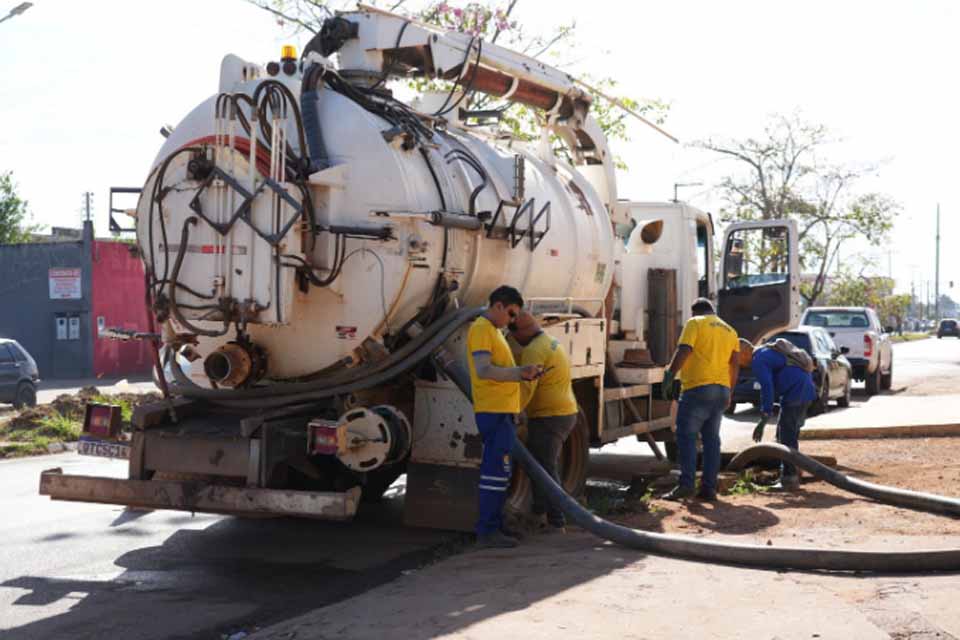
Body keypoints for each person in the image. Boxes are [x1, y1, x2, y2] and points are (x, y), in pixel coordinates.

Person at [467, 286, 542, 549]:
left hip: (501, 412)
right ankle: (487, 531)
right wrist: (520, 373)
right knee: (495, 473)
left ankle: (495, 527)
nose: (512, 321)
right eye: (510, 313)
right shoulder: (481, 330)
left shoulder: (493, 332)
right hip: (493, 412)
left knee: (501, 472)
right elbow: (484, 370)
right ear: (498, 305)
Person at [660, 298, 740, 501]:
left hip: (698, 389)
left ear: (694, 311)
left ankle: (686, 485)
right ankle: (709, 488)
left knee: (686, 437)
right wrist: (730, 392)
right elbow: (735, 364)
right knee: (711, 440)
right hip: (721, 390)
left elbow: (684, 349)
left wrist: (670, 374)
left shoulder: (695, 323)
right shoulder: (730, 331)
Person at [509, 310, 578, 532]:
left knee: (545, 469)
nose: (513, 339)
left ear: (522, 332)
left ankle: (556, 521)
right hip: (563, 412)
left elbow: (528, 386)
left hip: (550, 416)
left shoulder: (533, 350)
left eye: (513, 333)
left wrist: (514, 409)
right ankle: (539, 513)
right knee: (538, 466)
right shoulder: (550, 341)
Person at [751, 338, 818, 491]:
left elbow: (767, 387)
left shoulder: (759, 359)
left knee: (786, 438)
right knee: (790, 435)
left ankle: (789, 479)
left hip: (795, 393)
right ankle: (794, 472)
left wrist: (765, 416)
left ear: (744, 351)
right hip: (806, 390)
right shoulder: (769, 352)